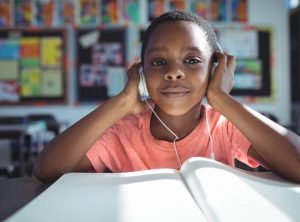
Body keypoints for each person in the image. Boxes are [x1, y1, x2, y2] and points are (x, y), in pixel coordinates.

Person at [34, 10, 300, 183]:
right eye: (159, 62)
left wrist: (222, 99)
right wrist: (121, 104)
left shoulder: (225, 126)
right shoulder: (121, 133)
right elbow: (47, 169)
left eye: (192, 60)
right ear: (142, 70)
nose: (174, 72)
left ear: (216, 68)